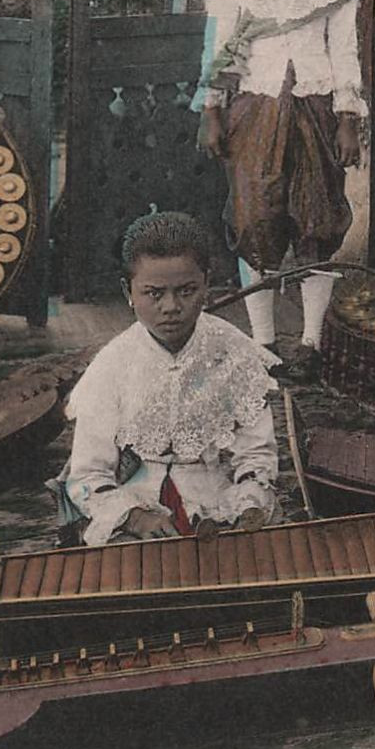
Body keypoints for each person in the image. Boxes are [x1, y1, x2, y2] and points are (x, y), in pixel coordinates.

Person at [193, 0, 364, 375]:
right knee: (254, 219)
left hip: (314, 106)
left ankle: (310, 343)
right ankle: (263, 343)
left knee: (317, 220)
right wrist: (212, 110)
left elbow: (345, 51)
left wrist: (348, 119)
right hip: (254, 106)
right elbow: (221, 44)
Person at [55, 212, 280, 547]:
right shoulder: (111, 367)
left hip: (219, 500)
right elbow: (88, 474)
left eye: (187, 290)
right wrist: (133, 516)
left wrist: (246, 499)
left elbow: (256, 454)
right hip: (137, 503)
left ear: (207, 281)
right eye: (154, 294)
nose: (171, 307)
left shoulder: (235, 354)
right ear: (128, 291)